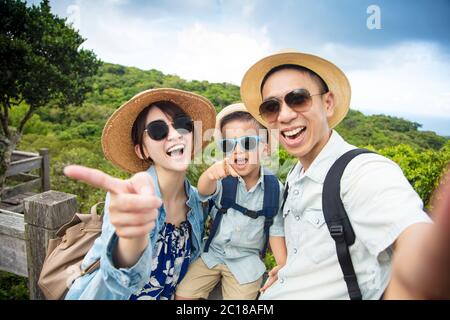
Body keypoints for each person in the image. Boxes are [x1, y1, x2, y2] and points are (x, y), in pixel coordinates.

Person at [240, 50, 450, 299]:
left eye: (298, 99)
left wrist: (422, 271)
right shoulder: (296, 175)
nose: (284, 115)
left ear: (327, 103)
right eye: (272, 106)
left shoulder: (362, 172)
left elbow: (414, 238)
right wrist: (291, 272)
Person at [63, 88, 216, 300]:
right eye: (157, 130)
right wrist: (130, 241)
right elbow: (116, 279)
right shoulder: (133, 199)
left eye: (183, 124)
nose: (174, 134)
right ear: (142, 151)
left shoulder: (196, 203)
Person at [175, 103, 287, 300]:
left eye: (248, 143)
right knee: (183, 294)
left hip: (247, 261)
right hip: (212, 253)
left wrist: (282, 263)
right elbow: (203, 192)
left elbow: (275, 228)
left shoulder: (273, 188)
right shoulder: (223, 177)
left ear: (265, 149)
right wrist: (209, 176)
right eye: (228, 145)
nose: (238, 151)